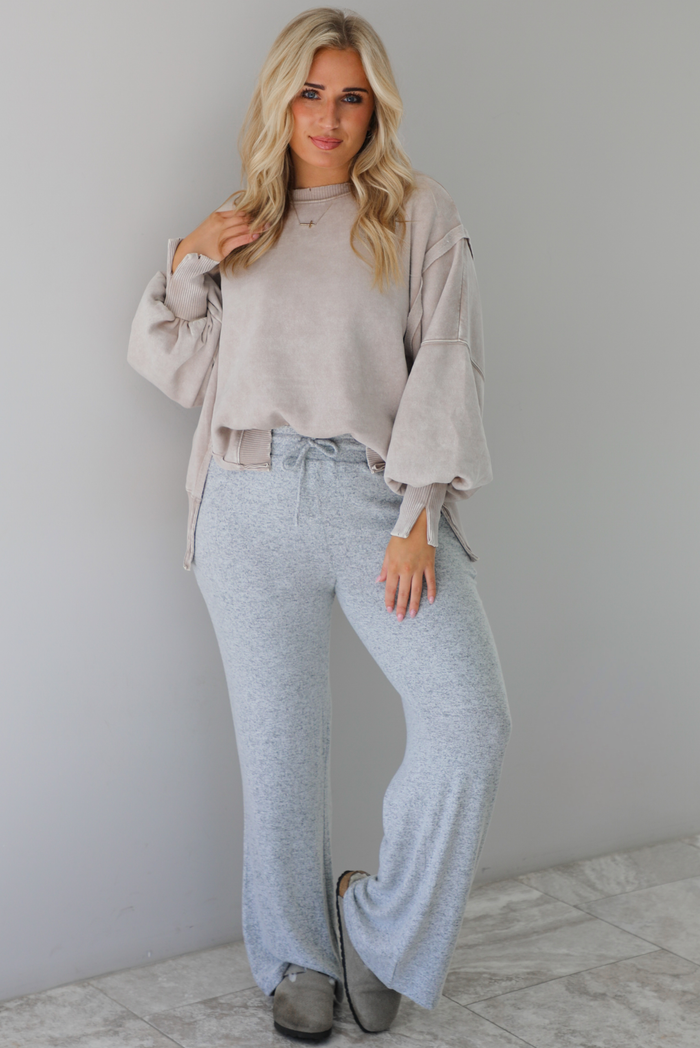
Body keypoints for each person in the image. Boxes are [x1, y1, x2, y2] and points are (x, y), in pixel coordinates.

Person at [128, 6, 511, 1041]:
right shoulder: (244, 218)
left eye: (350, 97)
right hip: (246, 498)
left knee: (470, 720)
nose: (329, 117)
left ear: (374, 108)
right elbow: (181, 368)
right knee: (280, 749)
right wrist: (189, 259)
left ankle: (377, 931)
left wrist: (418, 514)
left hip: (375, 500)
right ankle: (296, 955)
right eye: (309, 93)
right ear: (280, 100)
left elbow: (446, 366)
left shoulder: (417, 214)